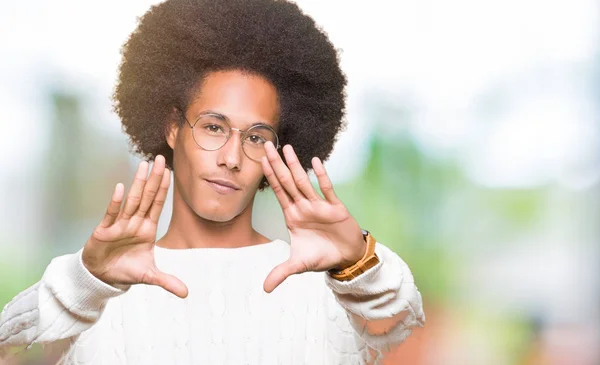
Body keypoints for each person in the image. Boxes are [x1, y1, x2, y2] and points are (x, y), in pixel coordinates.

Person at [0, 0, 425, 364]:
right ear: (172, 128)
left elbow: (403, 321)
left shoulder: (331, 282)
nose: (232, 159)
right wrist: (83, 281)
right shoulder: (97, 285)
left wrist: (357, 262)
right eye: (214, 127)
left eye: (256, 137)